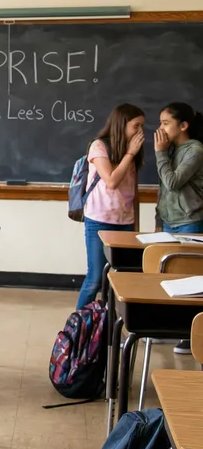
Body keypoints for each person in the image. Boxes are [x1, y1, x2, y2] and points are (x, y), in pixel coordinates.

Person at [77, 103, 145, 309]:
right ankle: (75, 329)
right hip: (98, 222)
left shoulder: (131, 151)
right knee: (95, 278)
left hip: (126, 223)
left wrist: (136, 226)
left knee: (124, 279)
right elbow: (112, 181)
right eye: (136, 126)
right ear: (121, 125)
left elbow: (133, 190)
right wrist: (130, 154)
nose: (140, 132)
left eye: (142, 126)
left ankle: (111, 328)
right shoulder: (99, 146)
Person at [154, 102, 203, 354]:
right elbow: (163, 190)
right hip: (169, 219)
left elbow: (172, 182)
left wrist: (160, 153)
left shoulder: (194, 150)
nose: (160, 129)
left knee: (188, 279)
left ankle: (189, 334)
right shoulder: (171, 148)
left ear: (183, 125)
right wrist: (158, 218)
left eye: (165, 123)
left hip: (189, 220)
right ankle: (170, 327)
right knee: (168, 276)